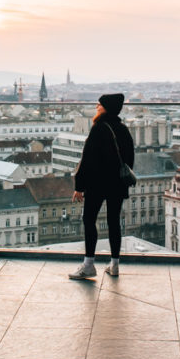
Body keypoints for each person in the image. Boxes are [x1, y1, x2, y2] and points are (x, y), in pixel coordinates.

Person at [69, 93, 135, 280]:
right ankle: (114, 265)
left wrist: (79, 186)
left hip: (97, 183)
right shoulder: (123, 129)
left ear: (106, 108)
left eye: (99, 104)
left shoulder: (98, 128)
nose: (96, 107)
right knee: (114, 222)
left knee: (89, 220)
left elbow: (87, 159)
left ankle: (89, 265)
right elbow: (129, 160)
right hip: (117, 184)